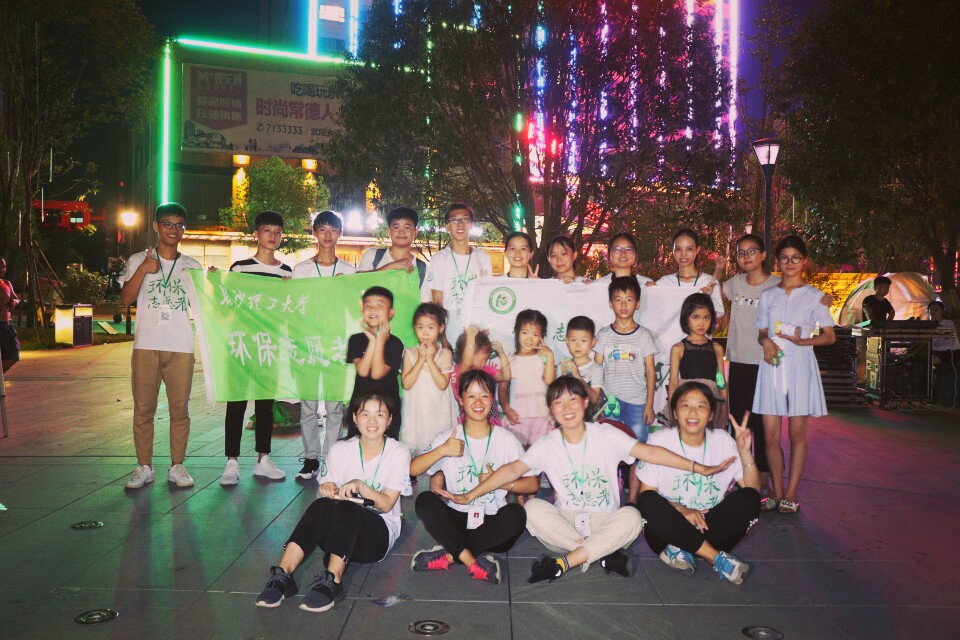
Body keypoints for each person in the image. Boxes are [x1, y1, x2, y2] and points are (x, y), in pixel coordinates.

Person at [440, 377, 734, 583]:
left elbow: (649, 452)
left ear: (585, 402)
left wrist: (698, 467)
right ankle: (600, 554)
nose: (567, 408)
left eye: (573, 400)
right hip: (567, 522)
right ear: (551, 410)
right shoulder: (547, 443)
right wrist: (470, 495)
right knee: (532, 509)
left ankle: (566, 562)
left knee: (633, 516)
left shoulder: (605, 434)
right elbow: (512, 470)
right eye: (558, 403)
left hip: (606, 519)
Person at [255, 391, 410, 612]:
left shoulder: (398, 452)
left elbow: (386, 505)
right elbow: (324, 501)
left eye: (380, 414)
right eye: (365, 414)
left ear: (390, 419)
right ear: (355, 417)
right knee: (321, 505)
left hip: (376, 537)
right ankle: (283, 575)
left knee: (348, 507)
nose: (372, 421)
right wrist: (326, 490)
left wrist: (361, 486)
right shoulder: (340, 449)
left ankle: (333, 580)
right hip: (339, 536)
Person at [410, 370, 538, 583]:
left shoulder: (506, 440)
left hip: (492, 524)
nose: (478, 402)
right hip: (456, 519)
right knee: (425, 500)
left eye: (484, 395)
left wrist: (502, 483)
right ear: (460, 400)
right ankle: (472, 560)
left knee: (516, 514)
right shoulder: (448, 437)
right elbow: (413, 470)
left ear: (493, 399)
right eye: (471, 396)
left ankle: (452, 554)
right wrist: (442, 450)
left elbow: (532, 483)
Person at [636, 381, 760, 585]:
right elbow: (646, 493)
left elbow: (752, 491)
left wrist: (745, 452)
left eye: (701, 406)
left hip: (709, 528)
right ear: (675, 413)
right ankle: (715, 558)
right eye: (685, 405)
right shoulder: (659, 441)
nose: (693, 412)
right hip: (667, 531)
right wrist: (681, 509)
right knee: (646, 501)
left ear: (711, 414)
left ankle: (682, 550)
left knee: (750, 499)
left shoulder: (722, 440)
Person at [119, 202, 201, 489]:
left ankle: (177, 466)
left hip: (181, 346)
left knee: (180, 410)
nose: (173, 230)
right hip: (147, 345)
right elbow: (125, 299)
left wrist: (212, 282)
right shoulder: (138, 259)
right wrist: (143, 269)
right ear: (156, 226)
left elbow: (205, 305)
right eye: (168, 224)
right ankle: (144, 466)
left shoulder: (192, 266)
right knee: (144, 409)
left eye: (179, 225)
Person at [755, 235, 837, 514]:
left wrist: (804, 341)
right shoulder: (768, 296)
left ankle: (791, 493)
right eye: (784, 258)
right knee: (770, 436)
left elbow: (829, 336)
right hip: (772, 366)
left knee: (797, 433)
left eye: (795, 258)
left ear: (804, 262)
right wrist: (766, 342)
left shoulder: (815, 296)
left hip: (800, 365)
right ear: (777, 262)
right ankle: (777, 492)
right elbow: (762, 332)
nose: (789, 263)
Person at [220, 211, 292, 485]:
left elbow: (289, 312)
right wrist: (215, 282)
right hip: (241, 344)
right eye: (267, 231)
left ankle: (263, 459)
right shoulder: (240, 268)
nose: (272, 236)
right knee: (236, 404)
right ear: (256, 235)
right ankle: (231, 463)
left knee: (265, 406)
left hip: (268, 347)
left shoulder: (287, 272)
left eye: (277, 231)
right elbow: (225, 305)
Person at [292, 210, 357, 480]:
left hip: (336, 346)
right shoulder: (301, 270)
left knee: (334, 408)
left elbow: (355, 310)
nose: (328, 235)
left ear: (340, 233)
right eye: (322, 229)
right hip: (307, 346)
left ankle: (331, 459)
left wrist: (346, 290)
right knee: (308, 406)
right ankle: (310, 459)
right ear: (314, 233)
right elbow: (293, 308)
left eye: (333, 229)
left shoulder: (349, 271)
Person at [720, 234, 779, 510]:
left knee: (764, 428)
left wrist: (822, 300)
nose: (746, 257)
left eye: (751, 251)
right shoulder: (734, 284)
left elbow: (802, 299)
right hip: (739, 363)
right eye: (741, 252)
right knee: (740, 426)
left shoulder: (776, 285)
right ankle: (743, 481)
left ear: (763, 254)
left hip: (767, 365)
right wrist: (716, 272)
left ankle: (764, 486)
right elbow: (708, 294)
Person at [595, 276, 658, 503]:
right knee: (609, 453)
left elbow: (651, 372)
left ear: (637, 304)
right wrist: (597, 402)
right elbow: (597, 368)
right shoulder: (604, 335)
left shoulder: (644, 336)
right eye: (618, 299)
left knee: (637, 453)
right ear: (610, 303)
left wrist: (649, 404)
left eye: (629, 299)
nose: (623, 305)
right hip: (610, 405)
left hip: (637, 404)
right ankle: (611, 498)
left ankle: (633, 502)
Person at [426, 203, 493, 341]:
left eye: (465, 219)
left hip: (476, 332)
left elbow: (487, 297)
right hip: (449, 332)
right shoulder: (439, 259)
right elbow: (437, 303)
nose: (460, 224)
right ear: (447, 226)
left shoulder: (483, 258)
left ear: (471, 224)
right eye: (454, 220)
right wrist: (443, 339)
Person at [346, 286, 404, 440]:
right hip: (361, 407)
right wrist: (373, 341)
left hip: (387, 408)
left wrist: (379, 341)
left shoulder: (395, 343)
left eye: (379, 306)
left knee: (387, 447)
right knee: (356, 445)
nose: (372, 310)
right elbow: (363, 371)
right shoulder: (355, 340)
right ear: (362, 310)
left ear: (391, 313)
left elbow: (378, 373)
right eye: (368, 305)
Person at [400, 303, 457, 454]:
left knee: (439, 448)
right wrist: (420, 359)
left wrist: (430, 360)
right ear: (414, 328)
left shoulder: (445, 354)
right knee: (417, 453)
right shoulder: (409, 353)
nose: (425, 333)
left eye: (431, 328)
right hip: (416, 414)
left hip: (438, 412)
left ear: (441, 328)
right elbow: (406, 384)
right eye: (420, 327)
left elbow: (442, 384)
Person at [667, 293, 727, 428]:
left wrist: (724, 411)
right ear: (686, 318)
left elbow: (721, 383)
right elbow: (673, 383)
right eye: (696, 317)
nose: (701, 323)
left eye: (706, 317)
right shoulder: (678, 348)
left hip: (711, 403)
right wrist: (672, 411)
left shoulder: (717, 348)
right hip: (687, 403)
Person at [501, 309, 556, 448]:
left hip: (542, 416)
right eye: (525, 333)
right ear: (517, 332)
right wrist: (506, 408)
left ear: (542, 336)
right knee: (517, 452)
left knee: (540, 452)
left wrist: (549, 356)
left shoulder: (544, 358)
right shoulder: (509, 360)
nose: (529, 339)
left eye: (535, 334)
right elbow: (502, 388)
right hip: (517, 416)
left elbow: (550, 381)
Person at [654, 228, 725, 319]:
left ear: (697, 250)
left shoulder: (709, 282)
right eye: (678, 249)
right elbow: (653, 311)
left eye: (689, 249)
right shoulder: (664, 282)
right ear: (673, 251)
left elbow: (715, 316)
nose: (683, 254)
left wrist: (708, 300)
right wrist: (648, 288)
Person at [358, 207, 428, 294]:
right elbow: (357, 282)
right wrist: (390, 267)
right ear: (389, 231)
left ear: (415, 232)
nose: (401, 232)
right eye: (396, 227)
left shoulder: (422, 268)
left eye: (407, 227)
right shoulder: (372, 255)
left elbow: (425, 300)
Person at [451, 325, 511, 426]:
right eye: (481, 359)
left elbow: (506, 376)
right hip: (470, 422)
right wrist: (471, 336)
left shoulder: (484, 370)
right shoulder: (460, 371)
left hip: (491, 422)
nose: (483, 363)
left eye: (486, 359)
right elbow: (467, 362)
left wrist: (501, 354)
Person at [558, 316, 605, 409]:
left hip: (590, 416)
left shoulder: (596, 368)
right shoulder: (562, 366)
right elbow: (558, 397)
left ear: (593, 342)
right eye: (573, 340)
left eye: (583, 340)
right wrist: (563, 379)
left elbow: (594, 399)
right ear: (567, 341)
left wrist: (577, 376)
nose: (578, 345)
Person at [0, 258, 21, 372]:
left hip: (6, 325)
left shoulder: (7, 283)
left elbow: (16, 298)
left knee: (13, 355)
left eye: (3, 266)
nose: (2, 269)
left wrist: (14, 302)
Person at [930, 301, 960, 367]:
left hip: (951, 353)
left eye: (936, 309)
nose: (932, 311)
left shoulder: (948, 323)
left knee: (929, 361)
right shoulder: (930, 324)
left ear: (942, 312)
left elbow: (948, 333)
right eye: (931, 309)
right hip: (938, 352)